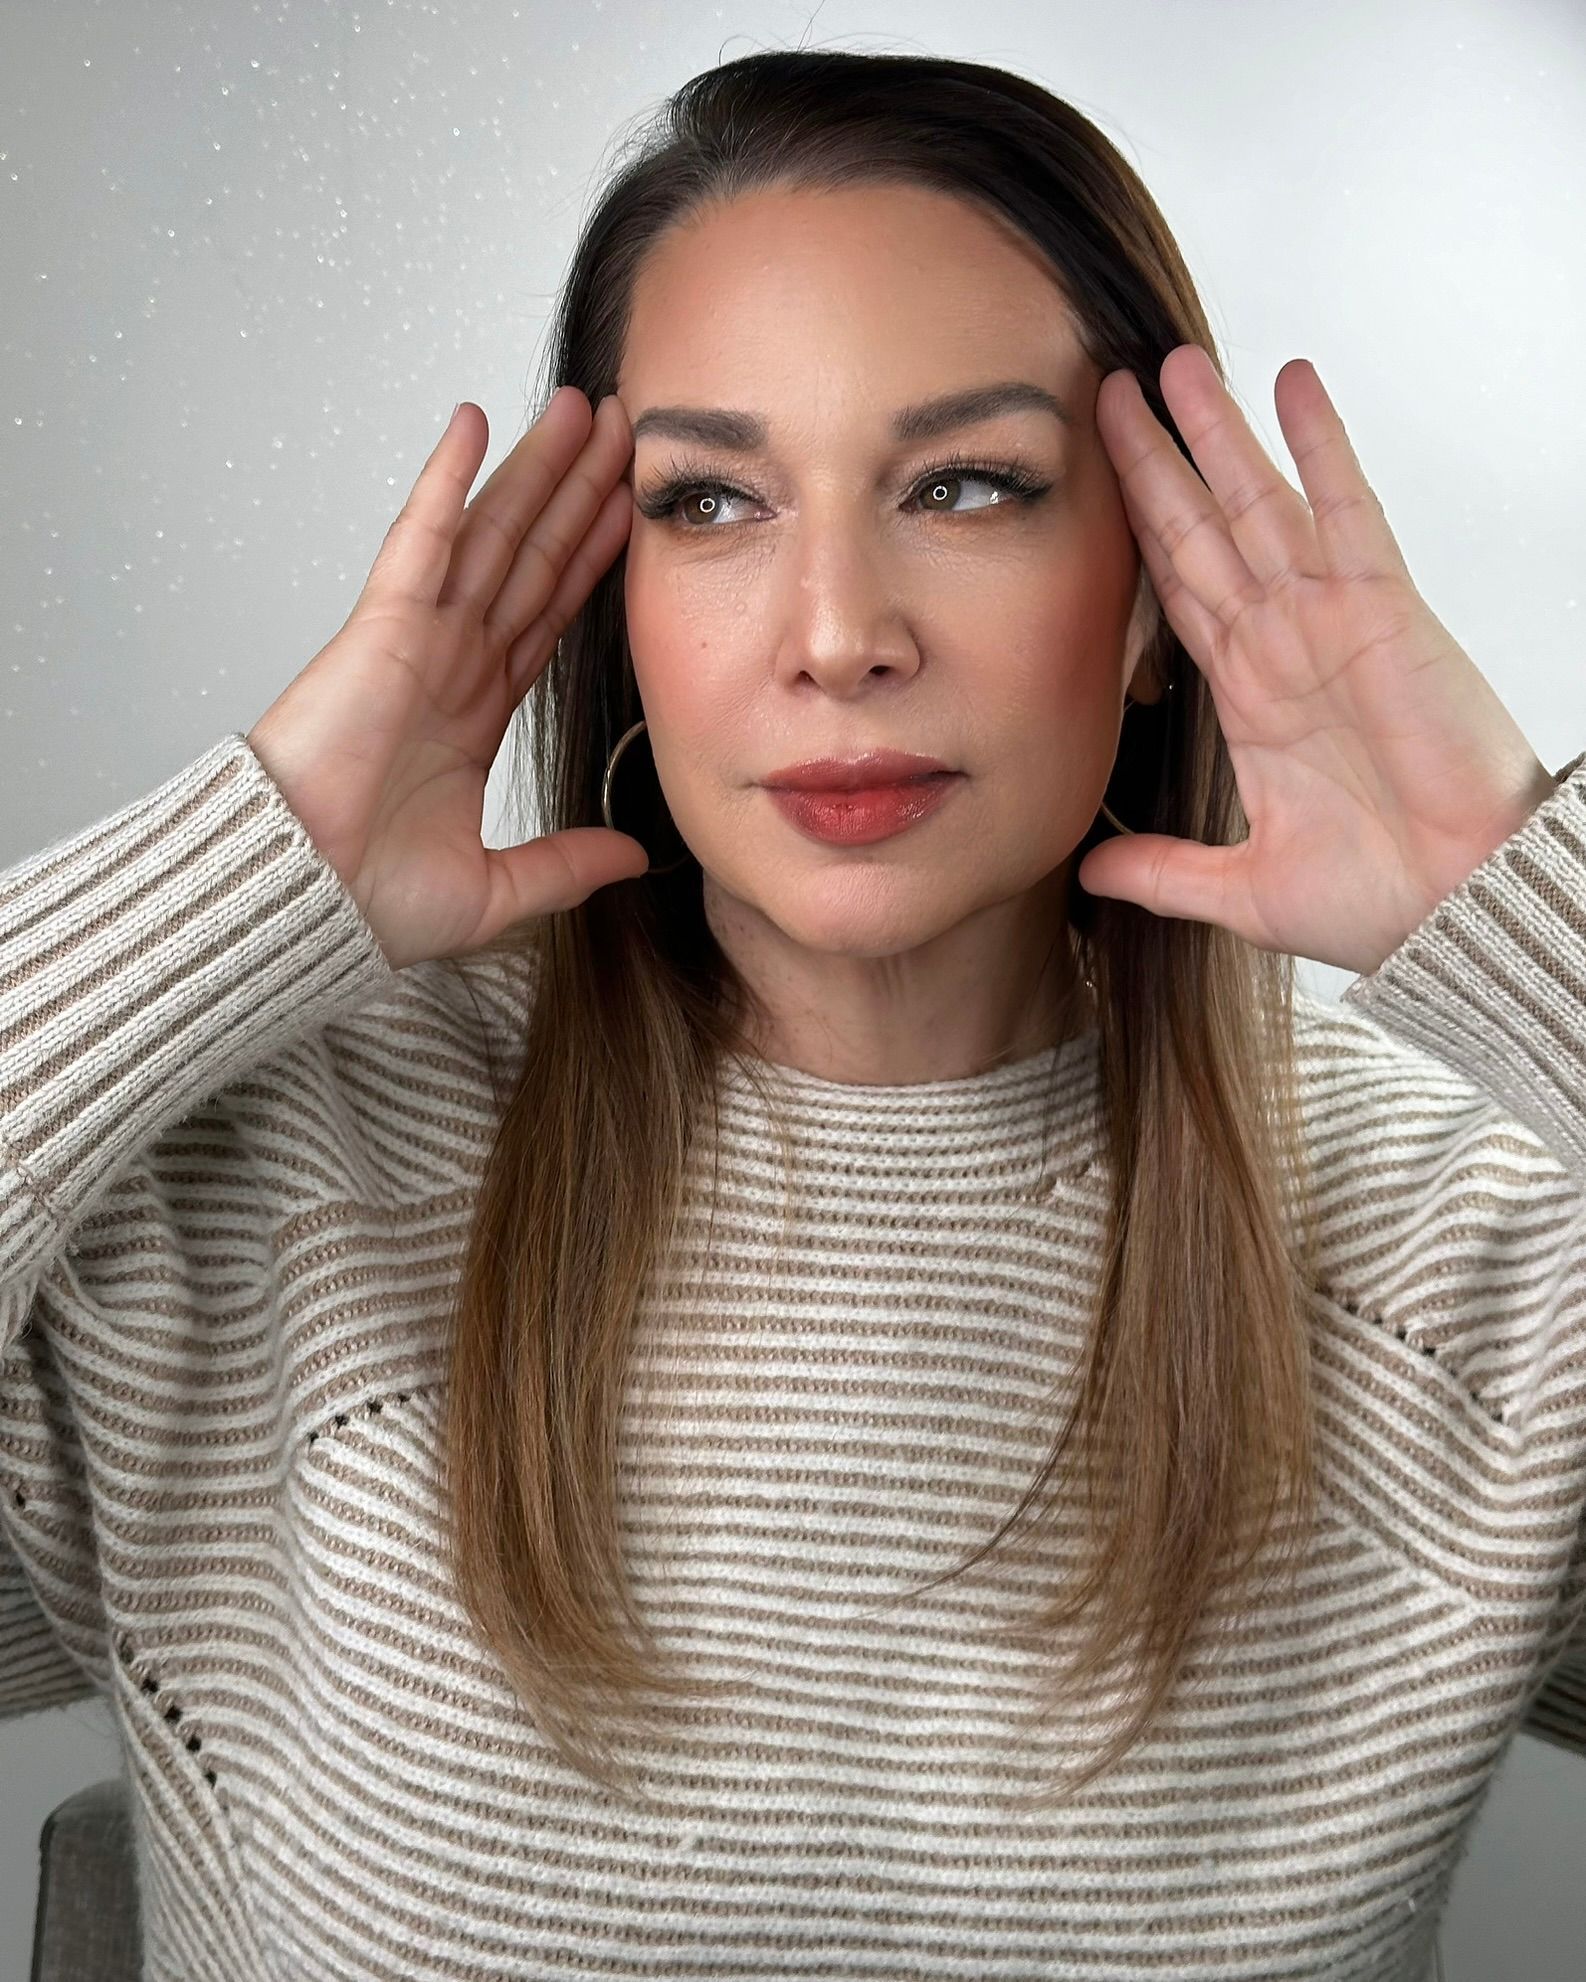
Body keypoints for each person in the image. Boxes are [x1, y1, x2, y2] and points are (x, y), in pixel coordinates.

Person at [3, 45, 1582, 1982]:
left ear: (1160, 586)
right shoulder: (259, 1202)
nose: (838, 630)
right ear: (610, 592)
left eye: (970, 484)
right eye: (713, 503)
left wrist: (1519, 887)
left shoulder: (1473, 1272)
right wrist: (250, 861)